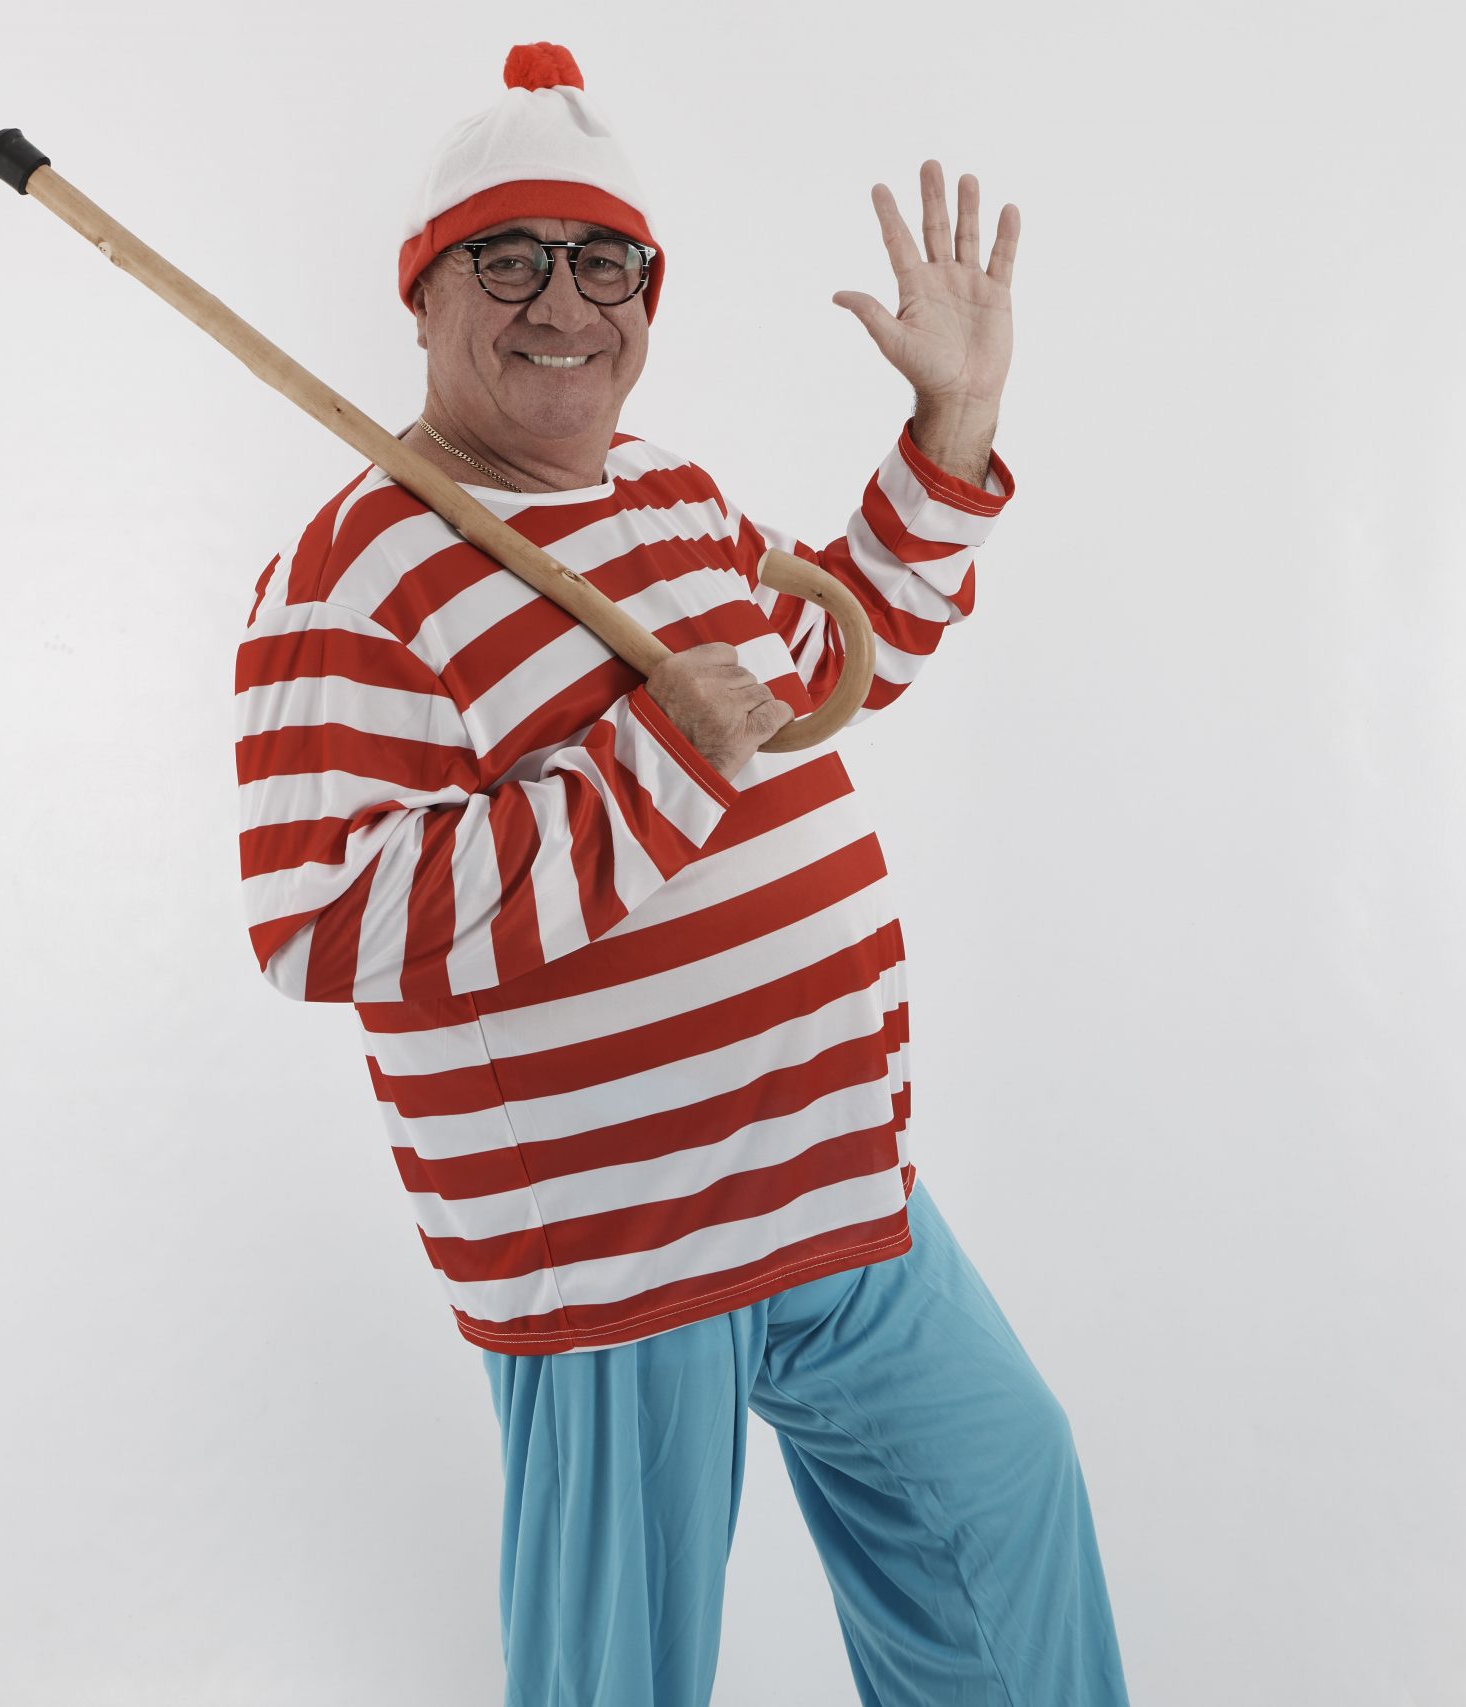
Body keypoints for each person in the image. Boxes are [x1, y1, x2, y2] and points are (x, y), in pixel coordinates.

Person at [233, 41, 1130, 1706]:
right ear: (422, 298)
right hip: (619, 1245)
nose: (562, 305)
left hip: (840, 1184)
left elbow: (837, 665)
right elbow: (322, 921)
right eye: (508, 261)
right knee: (622, 1674)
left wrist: (953, 425)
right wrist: (658, 758)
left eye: (604, 264)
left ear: (649, 297)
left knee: (1004, 1495)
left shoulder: (670, 493)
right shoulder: (356, 574)